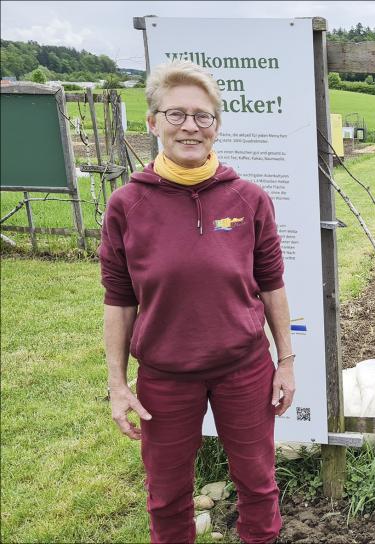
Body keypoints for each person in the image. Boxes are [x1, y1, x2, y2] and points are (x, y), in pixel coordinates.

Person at [100, 59, 294, 544]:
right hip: (165, 378)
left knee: (258, 484)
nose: (190, 126)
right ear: (153, 122)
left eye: (202, 116)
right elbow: (119, 300)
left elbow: (271, 284)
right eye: (176, 114)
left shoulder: (249, 199)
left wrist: (285, 361)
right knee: (166, 496)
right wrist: (118, 384)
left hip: (244, 369)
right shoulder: (127, 205)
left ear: (217, 126)